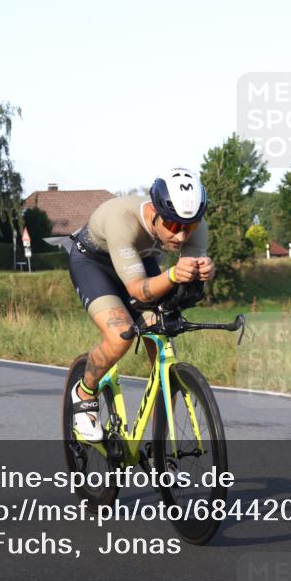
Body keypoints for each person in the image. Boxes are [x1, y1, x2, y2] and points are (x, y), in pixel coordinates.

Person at [67, 168, 215, 441]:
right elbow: (138, 291)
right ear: (155, 213)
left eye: (189, 227)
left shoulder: (194, 224)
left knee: (160, 336)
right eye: (172, 226)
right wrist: (171, 274)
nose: (181, 236)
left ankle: (161, 452)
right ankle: (84, 393)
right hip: (94, 264)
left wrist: (204, 271)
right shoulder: (123, 219)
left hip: (138, 258)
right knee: (119, 334)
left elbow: (190, 285)